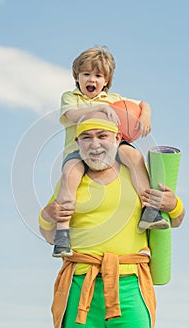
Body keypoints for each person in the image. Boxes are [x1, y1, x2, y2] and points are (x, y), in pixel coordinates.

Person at [39, 113, 185, 328]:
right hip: (80, 287)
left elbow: (176, 220)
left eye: (102, 136)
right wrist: (48, 215)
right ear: (78, 144)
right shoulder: (71, 181)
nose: (94, 144)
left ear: (118, 139)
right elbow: (49, 235)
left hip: (130, 286)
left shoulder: (140, 175)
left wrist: (174, 204)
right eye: (86, 137)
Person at [53, 46, 169, 258]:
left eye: (98, 75)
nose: (92, 79)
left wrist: (145, 116)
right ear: (77, 78)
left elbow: (143, 103)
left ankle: (148, 210)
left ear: (106, 81)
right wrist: (97, 110)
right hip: (81, 153)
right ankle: (62, 232)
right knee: (70, 174)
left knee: (134, 156)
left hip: (110, 152)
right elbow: (71, 115)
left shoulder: (113, 99)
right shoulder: (71, 97)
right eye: (86, 74)